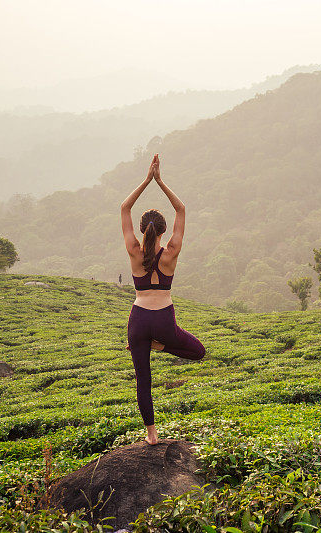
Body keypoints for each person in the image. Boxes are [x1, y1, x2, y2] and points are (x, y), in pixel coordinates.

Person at [120, 154, 206, 445]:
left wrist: (146, 180)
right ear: (163, 231)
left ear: (143, 230)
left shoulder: (134, 250)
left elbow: (124, 207)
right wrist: (160, 181)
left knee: (143, 379)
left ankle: (151, 435)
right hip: (164, 321)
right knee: (198, 352)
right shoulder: (171, 252)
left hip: (138, 320)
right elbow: (181, 208)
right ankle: (161, 345)